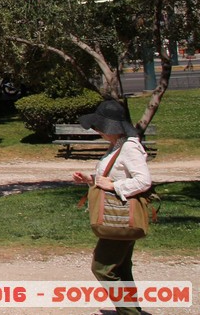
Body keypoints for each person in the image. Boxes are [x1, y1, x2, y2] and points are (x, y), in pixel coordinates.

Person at [71, 100, 153, 315]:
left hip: (121, 217)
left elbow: (143, 181)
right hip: (118, 217)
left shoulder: (129, 147)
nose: (97, 130)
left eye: (99, 127)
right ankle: (131, 310)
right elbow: (114, 175)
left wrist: (114, 186)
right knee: (121, 268)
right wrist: (92, 179)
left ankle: (129, 313)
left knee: (102, 268)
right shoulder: (119, 144)